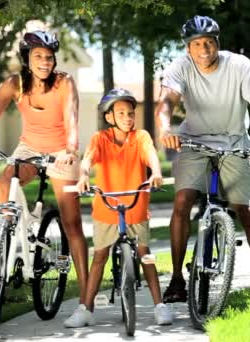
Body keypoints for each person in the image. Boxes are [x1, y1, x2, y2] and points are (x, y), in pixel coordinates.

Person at [155, 15, 250, 304]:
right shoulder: (180, 67)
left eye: (209, 43)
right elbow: (166, 102)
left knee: (246, 212)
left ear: (217, 44)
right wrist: (165, 128)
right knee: (182, 201)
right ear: (188, 48)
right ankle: (177, 278)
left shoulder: (238, 65)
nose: (204, 49)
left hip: (234, 142)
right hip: (194, 142)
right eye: (197, 44)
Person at [0, 30, 90, 323]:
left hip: (61, 151)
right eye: (38, 57)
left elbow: (72, 117)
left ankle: (86, 303)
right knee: (2, 186)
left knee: (72, 222)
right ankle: (6, 241)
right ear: (27, 59)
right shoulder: (15, 84)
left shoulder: (64, 82)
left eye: (49, 57)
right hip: (29, 149)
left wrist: (71, 149)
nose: (45, 62)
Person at [71, 88, 173, 327]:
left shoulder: (141, 137)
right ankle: (85, 308)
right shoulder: (100, 139)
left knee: (145, 254)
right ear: (110, 117)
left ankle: (160, 306)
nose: (128, 117)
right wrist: (83, 175)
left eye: (131, 113)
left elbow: (150, 154)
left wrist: (156, 172)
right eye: (122, 113)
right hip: (106, 208)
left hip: (135, 207)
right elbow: (87, 160)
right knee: (99, 256)